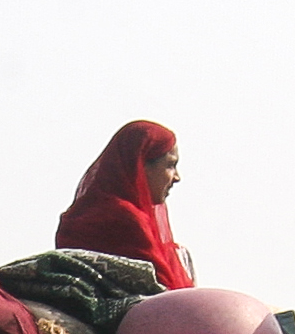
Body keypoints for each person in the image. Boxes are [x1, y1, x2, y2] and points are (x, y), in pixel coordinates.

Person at [53, 120, 193, 289]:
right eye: (170, 165)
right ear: (140, 166)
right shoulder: (125, 219)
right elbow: (163, 289)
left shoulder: (77, 215)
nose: (177, 177)